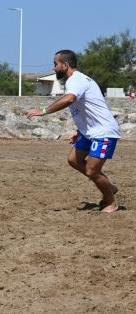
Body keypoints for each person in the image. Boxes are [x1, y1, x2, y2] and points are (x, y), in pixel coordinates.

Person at [27, 50, 120, 213]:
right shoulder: (76, 80)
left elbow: (69, 99)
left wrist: (44, 110)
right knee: (73, 160)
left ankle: (111, 201)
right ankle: (108, 186)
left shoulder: (76, 80)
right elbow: (86, 108)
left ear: (65, 65)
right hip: (89, 132)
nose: (54, 68)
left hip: (104, 133)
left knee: (92, 170)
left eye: (56, 64)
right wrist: (80, 130)